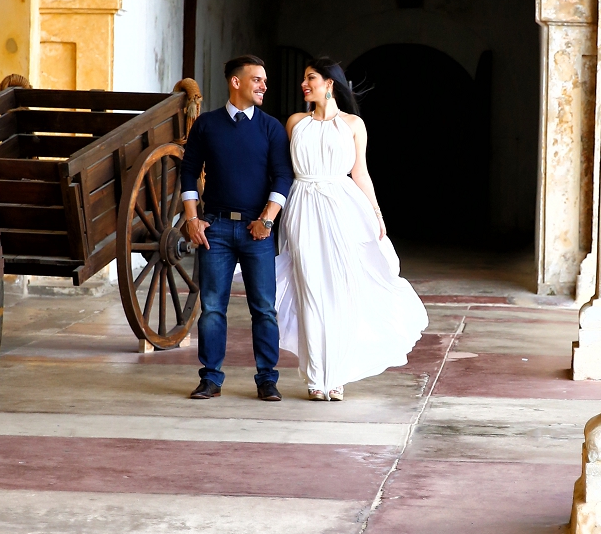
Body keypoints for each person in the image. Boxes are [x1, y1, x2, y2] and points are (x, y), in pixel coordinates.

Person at [276, 57, 428, 400]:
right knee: (310, 288)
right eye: (303, 79)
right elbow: (286, 170)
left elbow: (360, 172)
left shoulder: (353, 124)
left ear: (329, 83)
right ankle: (317, 378)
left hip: (342, 205)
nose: (304, 84)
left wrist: (376, 213)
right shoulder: (295, 122)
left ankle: (337, 376)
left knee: (340, 288)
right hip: (303, 204)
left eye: (310, 78)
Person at [181, 55, 293, 401]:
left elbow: (283, 176)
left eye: (264, 80)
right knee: (212, 308)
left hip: (257, 231)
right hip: (214, 229)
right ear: (236, 82)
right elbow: (187, 171)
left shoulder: (271, 128)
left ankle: (267, 380)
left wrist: (267, 219)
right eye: (257, 79)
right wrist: (191, 217)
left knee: (263, 308)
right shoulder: (207, 125)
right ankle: (210, 379)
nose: (263, 86)